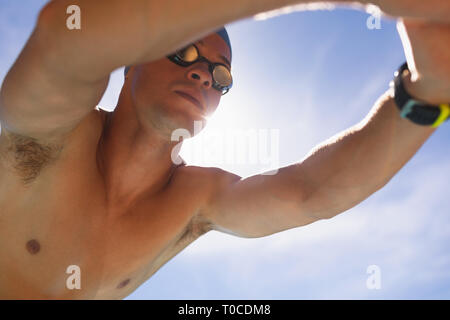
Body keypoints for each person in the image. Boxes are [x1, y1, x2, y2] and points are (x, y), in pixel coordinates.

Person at [0, 0, 448, 299]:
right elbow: (65, 40)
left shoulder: (194, 201)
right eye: (184, 55)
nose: (203, 75)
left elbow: (312, 192)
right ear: (133, 61)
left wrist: (426, 93)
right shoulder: (52, 135)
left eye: (221, 75)